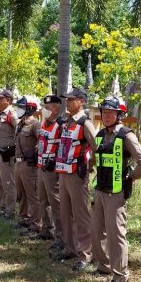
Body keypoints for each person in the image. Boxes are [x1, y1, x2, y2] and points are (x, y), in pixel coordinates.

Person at [86, 96, 141, 282]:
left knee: (116, 234)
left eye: (111, 112)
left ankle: (120, 275)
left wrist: (129, 178)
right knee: (97, 231)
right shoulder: (100, 135)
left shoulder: (125, 135)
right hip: (100, 190)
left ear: (119, 115)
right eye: (104, 112)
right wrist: (90, 165)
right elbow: (96, 158)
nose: (106, 116)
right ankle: (104, 266)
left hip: (116, 192)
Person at [53, 87, 97, 265]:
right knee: (65, 213)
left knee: (81, 215)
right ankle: (69, 248)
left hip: (77, 175)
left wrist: (88, 166)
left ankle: (85, 254)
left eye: (72, 99)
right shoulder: (66, 121)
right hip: (63, 172)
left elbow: (96, 148)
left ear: (82, 101)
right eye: (67, 99)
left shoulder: (85, 123)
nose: (68, 102)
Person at [34, 94, 64, 253]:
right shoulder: (44, 123)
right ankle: (46, 229)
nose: (45, 110)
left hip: (52, 169)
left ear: (57, 107)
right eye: (45, 107)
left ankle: (61, 237)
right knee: (42, 199)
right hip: (41, 166)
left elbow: (65, 147)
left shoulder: (61, 124)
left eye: (49, 107)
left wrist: (56, 161)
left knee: (56, 203)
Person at [13, 95, 41, 235]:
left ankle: (35, 224)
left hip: (29, 165)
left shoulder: (35, 124)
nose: (19, 109)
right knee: (21, 193)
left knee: (32, 195)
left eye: (22, 107)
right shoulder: (20, 123)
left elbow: (43, 141)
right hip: (18, 164)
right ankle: (24, 218)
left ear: (30, 108)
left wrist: (36, 155)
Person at [0, 89, 19, 218]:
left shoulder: (12, 115)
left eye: (1, 98)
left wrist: (16, 151)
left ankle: (10, 211)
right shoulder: (0, 114)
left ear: (8, 100)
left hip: (7, 155)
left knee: (8, 183)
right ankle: (1, 208)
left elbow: (20, 134)